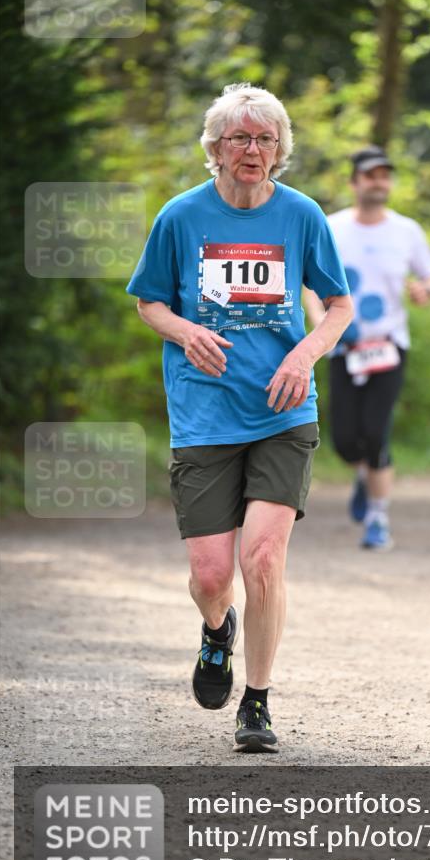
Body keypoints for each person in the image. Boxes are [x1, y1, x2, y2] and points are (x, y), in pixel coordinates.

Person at [126, 83, 353, 752]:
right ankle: (215, 630)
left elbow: (337, 307)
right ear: (215, 149)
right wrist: (183, 332)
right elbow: (148, 303)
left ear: (278, 149)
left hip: (283, 412)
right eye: (239, 138)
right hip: (203, 412)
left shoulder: (301, 215)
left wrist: (305, 357)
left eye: (264, 139)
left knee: (262, 558)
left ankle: (256, 702)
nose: (252, 150)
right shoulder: (180, 217)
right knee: (210, 576)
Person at [305, 145, 430, 551]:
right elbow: (309, 284)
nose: (378, 181)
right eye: (370, 175)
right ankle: (363, 474)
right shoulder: (331, 227)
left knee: (376, 434)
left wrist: (425, 291)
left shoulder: (406, 231)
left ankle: (378, 520)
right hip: (344, 347)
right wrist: (323, 327)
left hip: (389, 346)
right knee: (346, 441)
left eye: (384, 175)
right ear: (354, 182)